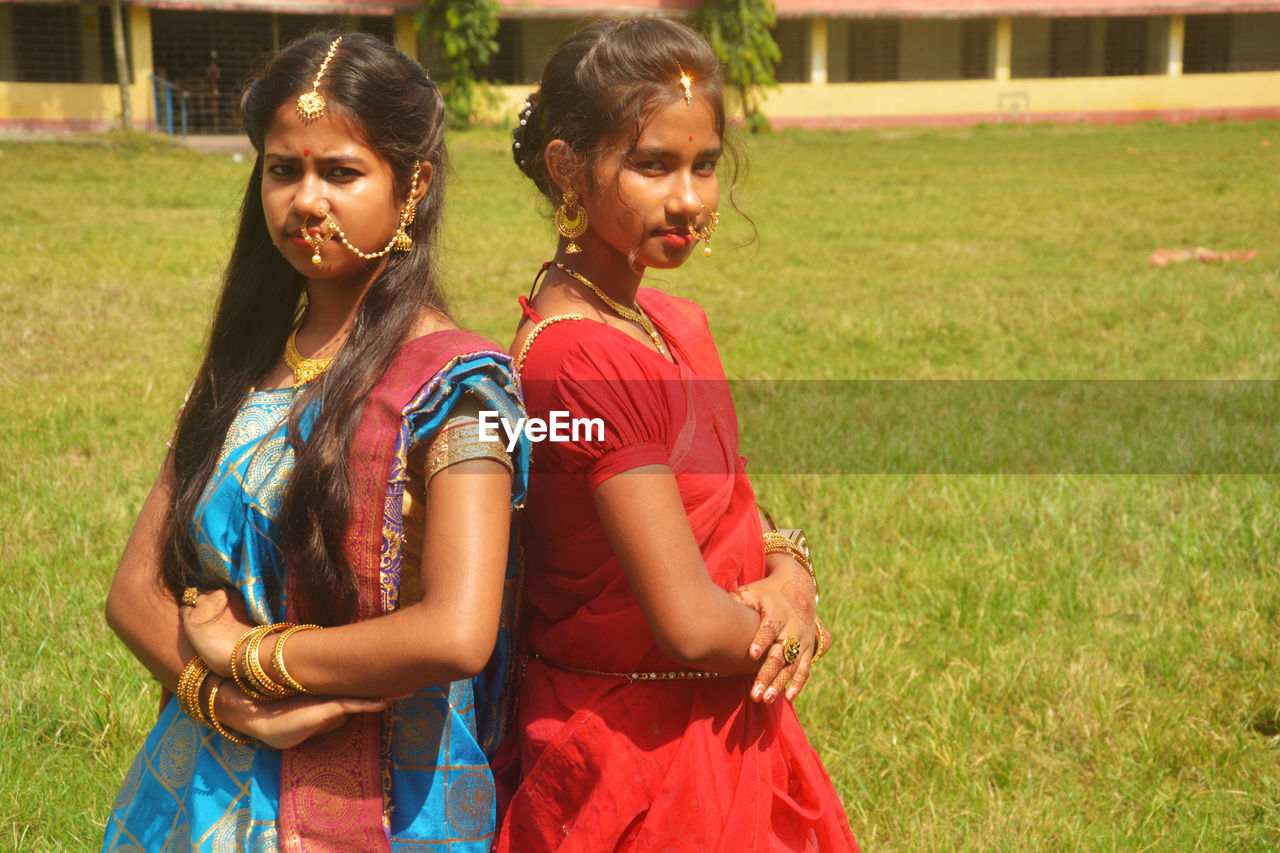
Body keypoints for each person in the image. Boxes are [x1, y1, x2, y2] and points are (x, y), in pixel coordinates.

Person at [101, 33, 528, 852]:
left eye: (341, 172)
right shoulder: (242, 365)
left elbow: (457, 630)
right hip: (203, 783)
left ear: (415, 186)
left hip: (387, 798)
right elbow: (132, 590)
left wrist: (259, 653)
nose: (305, 201)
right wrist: (231, 700)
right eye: (282, 169)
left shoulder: (461, 385)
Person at [498, 18, 858, 851]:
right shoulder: (579, 360)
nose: (691, 199)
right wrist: (793, 629)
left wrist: (791, 573)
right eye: (652, 165)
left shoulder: (670, 319)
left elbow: (738, 513)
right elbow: (690, 624)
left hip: (726, 726)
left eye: (704, 166)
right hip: (637, 760)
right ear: (567, 169)